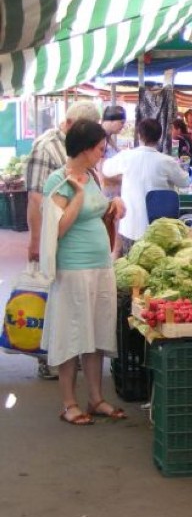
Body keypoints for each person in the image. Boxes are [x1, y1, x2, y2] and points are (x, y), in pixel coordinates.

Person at [41, 120, 127, 425]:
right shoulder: (58, 181)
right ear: (86, 149)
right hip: (73, 269)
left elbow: (97, 209)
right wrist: (76, 194)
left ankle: (95, 398)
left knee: (97, 332)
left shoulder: (91, 176)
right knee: (72, 335)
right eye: (100, 149)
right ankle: (68, 403)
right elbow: (58, 229)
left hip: (100, 265)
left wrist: (113, 204)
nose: (103, 154)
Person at [24, 100, 101, 380]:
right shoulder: (46, 148)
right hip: (65, 249)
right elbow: (35, 198)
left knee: (80, 319)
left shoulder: (90, 168)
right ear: (70, 125)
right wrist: (36, 241)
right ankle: (47, 358)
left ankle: (67, 361)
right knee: (59, 313)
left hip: (87, 253)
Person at [102, 119, 190, 254]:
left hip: (130, 227)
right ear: (160, 137)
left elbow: (106, 169)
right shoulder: (166, 161)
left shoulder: (126, 156)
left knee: (131, 266)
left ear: (139, 135)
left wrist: (124, 176)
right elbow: (185, 182)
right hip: (159, 229)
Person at [99, 105, 127, 199]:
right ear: (111, 120)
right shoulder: (100, 138)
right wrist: (127, 179)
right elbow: (101, 172)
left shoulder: (108, 138)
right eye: (121, 122)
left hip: (112, 192)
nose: (123, 126)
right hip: (106, 194)